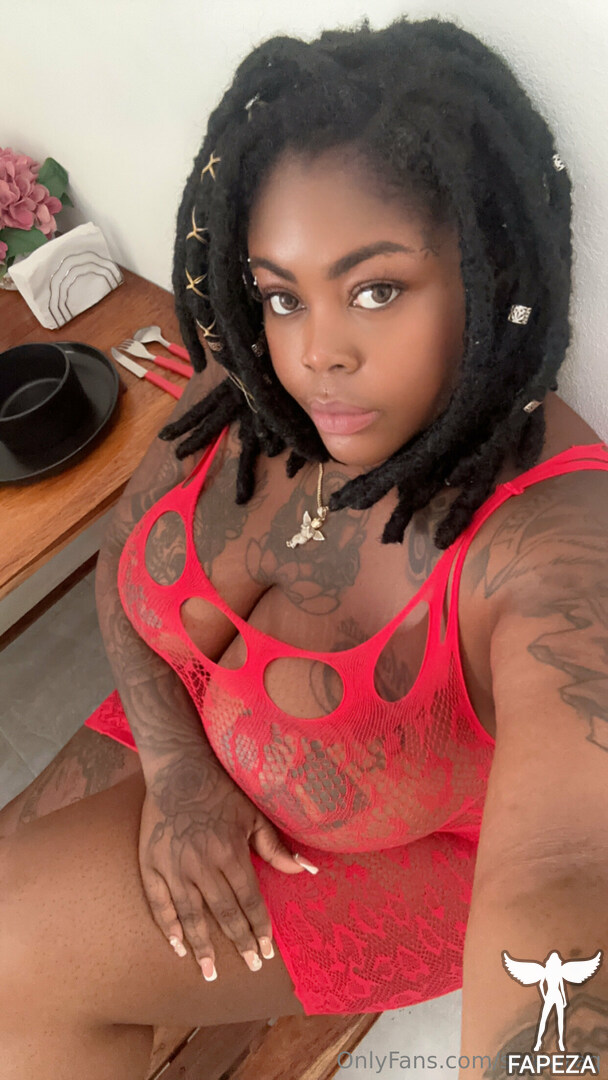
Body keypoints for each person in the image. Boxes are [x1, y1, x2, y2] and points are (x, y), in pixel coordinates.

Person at [1, 14, 607, 1078]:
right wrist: (180, 770)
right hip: (194, 750)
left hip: (393, 858)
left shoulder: (554, 548)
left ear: (488, 267)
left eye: (376, 289)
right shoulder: (252, 380)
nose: (316, 351)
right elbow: (121, 558)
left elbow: (565, 875)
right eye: (282, 293)